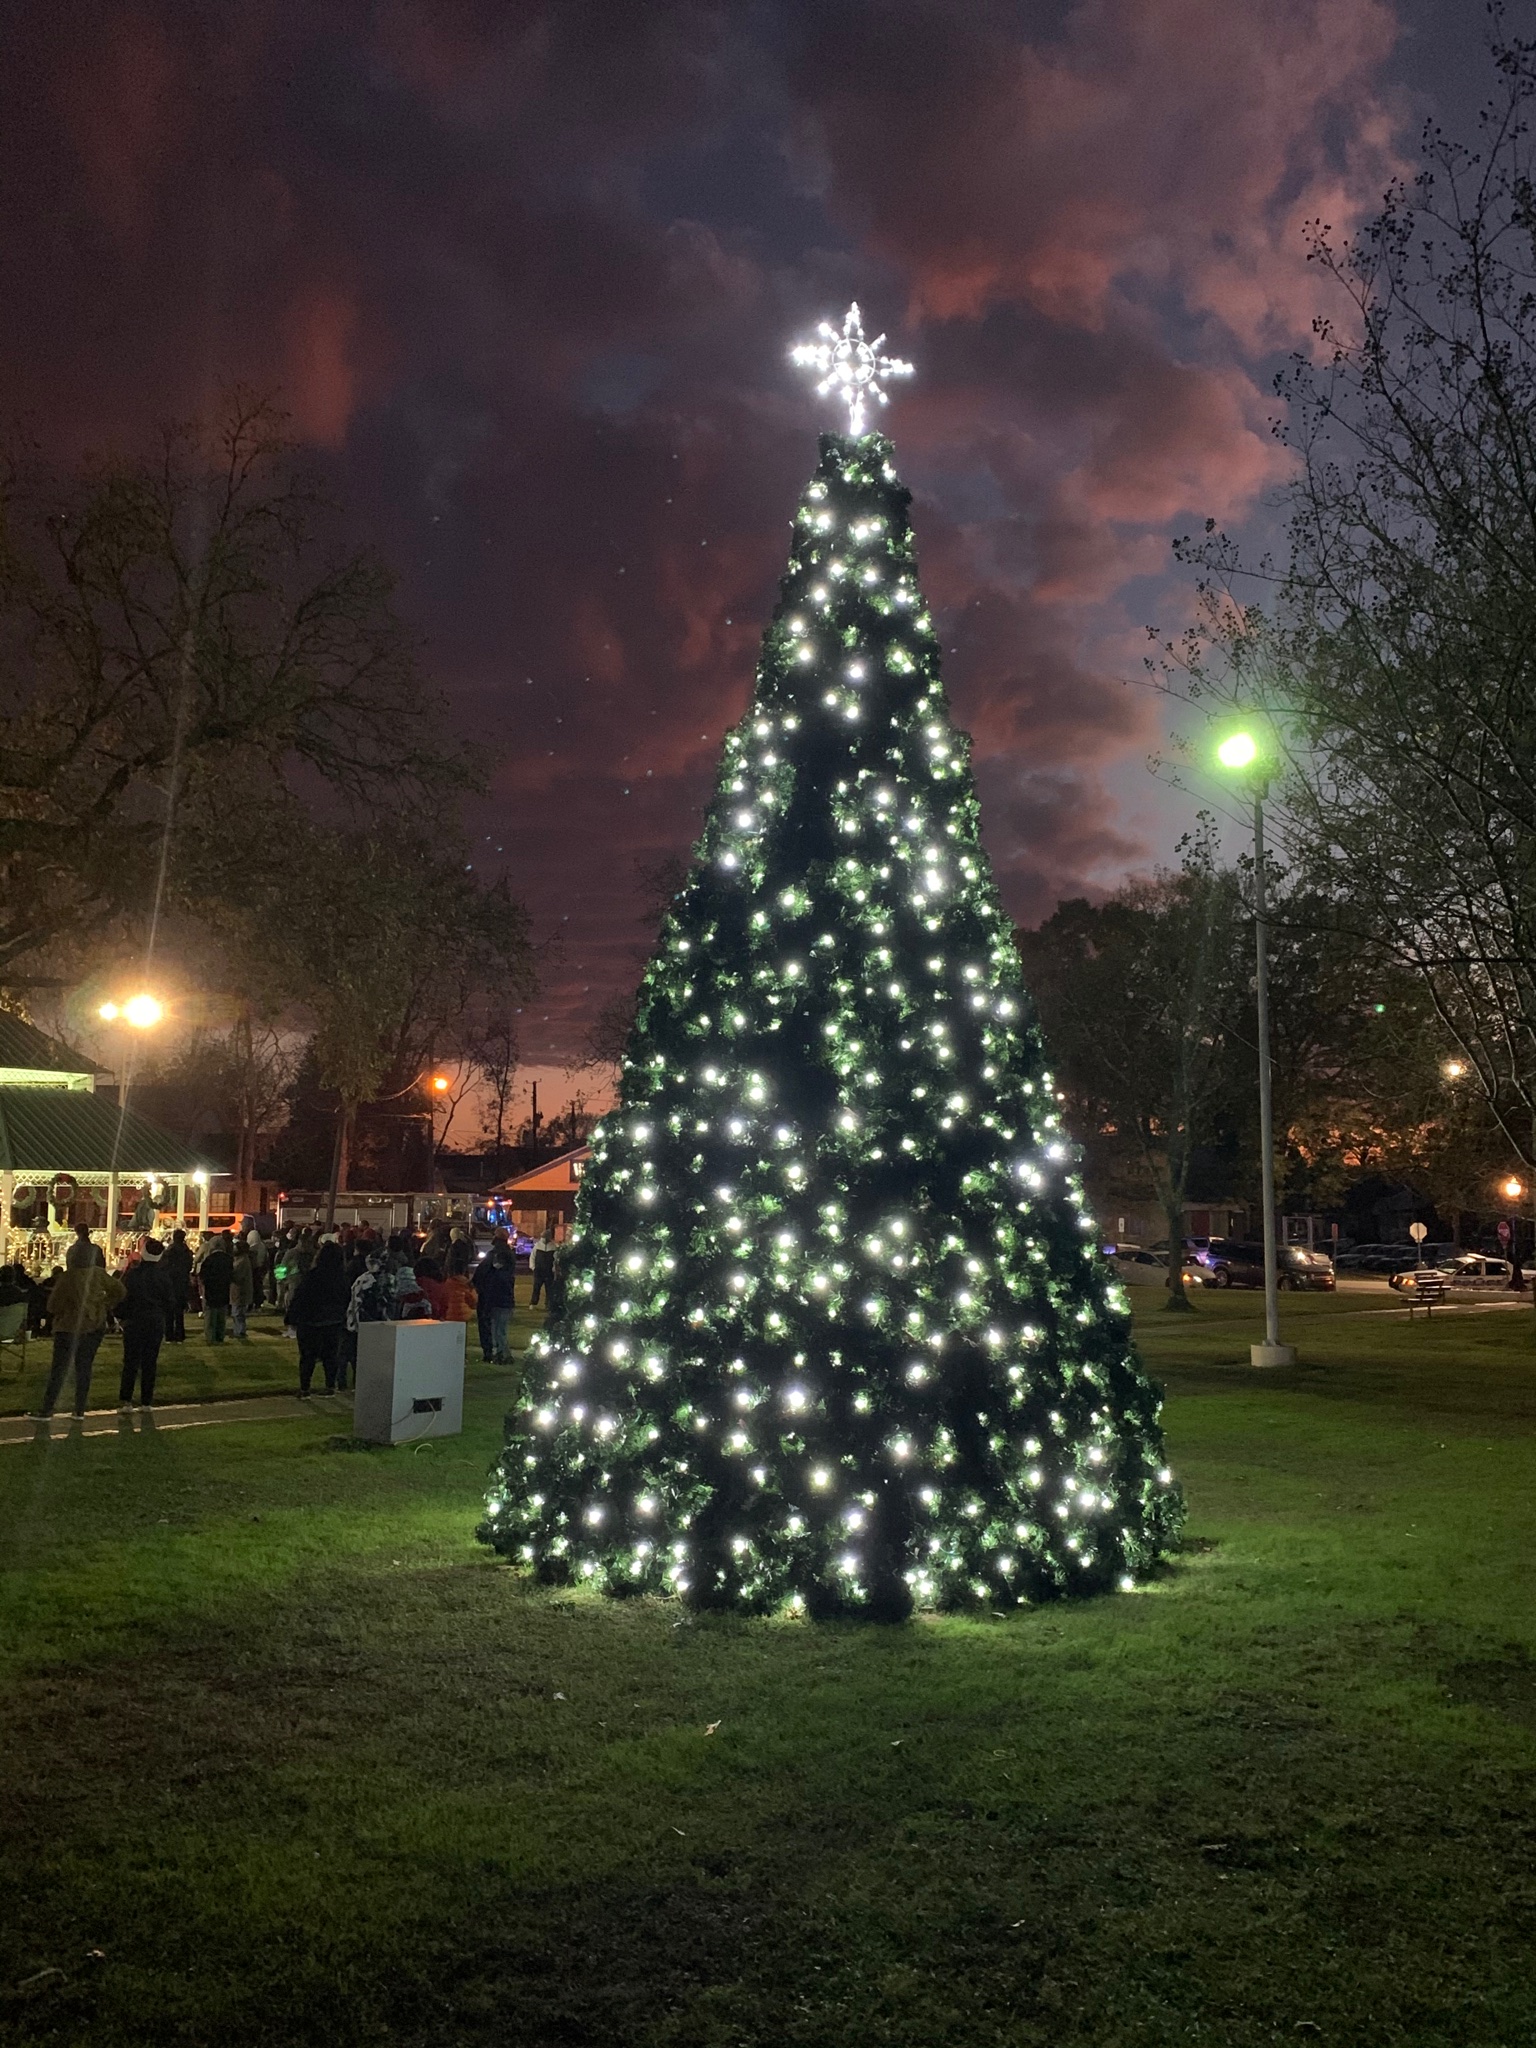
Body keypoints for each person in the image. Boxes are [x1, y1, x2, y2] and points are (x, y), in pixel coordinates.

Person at [32, 1262, 125, 1418]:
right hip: (94, 1325)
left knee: (59, 1368)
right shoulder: (98, 1274)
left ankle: (48, 1408)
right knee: (84, 1367)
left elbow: (52, 1306)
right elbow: (120, 1290)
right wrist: (104, 1304)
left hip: (68, 1327)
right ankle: (79, 1409)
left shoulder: (67, 1278)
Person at [118, 1237, 175, 1409]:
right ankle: (146, 1401)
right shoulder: (163, 1276)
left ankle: (126, 1400)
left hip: (134, 1321)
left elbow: (123, 1297)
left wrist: (121, 1316)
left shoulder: (133, 1275)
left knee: (130, 1361)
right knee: (150, 1362)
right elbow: (170, 1302)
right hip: (154, 1322)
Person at [288, 1241, 350, 1396]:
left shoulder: (313, 1276)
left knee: (307, 1357)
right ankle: (330, 1386)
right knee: (331, 1356)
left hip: (310, 1321)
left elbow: (301, 1297)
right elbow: (345, 1299)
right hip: (333, 1321)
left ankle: (305, 1388)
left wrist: (292, 1317)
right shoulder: (342, 1278)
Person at [474, 1245, 516, 1363]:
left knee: (498, 1331)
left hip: (498, 1305)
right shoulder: (508, 1274)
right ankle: (503, 1353)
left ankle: (503, 1355)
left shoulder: (497, 1276)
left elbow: (493, 1292)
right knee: (500, 1331)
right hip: (506, 1305)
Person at [198, 1231, 235, 1344]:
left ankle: (211, 1336)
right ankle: (220, 1335)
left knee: (210, 1315)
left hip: (211, 1289)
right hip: (224, 1288)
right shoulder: (228, 1259)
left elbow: (203, 1275)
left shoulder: (209, 1260)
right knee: (221, 1315)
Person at [164, 1229, 193, 1342]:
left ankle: (169, 1334)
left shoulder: (170, 1251)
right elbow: (189, 1266)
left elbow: (164, 1265)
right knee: (179, 1311)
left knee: (169, 1312)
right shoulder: (186, 1251)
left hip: (171, 1283)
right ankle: (180, 1334)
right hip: (182, 1282)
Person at [230, 1236, 255, 1340]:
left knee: (238, 1313)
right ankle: (238, 1331)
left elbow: (237, 1276)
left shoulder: (242, 1261)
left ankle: (240, 1331)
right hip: (239, 1290)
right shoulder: (242, 1260)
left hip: (240, 1291)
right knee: (237, 1312)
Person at [441, 1262, 477, 1329]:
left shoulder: (447, 1283)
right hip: (463, 1315)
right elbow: (473, 1300)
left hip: (449, 1315)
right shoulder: (467, 1284)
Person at [531, 1226, 556, 1308]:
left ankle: (548, 1304)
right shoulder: (537, 1246)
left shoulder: (553, 1247)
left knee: (549, 1289)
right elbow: (532, 1257)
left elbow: (555, 1259)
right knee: (536, 1288)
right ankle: (533, 1303)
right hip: (539, 1270)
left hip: (549, 1271)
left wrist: (554, 1268)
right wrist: (533, 1267)